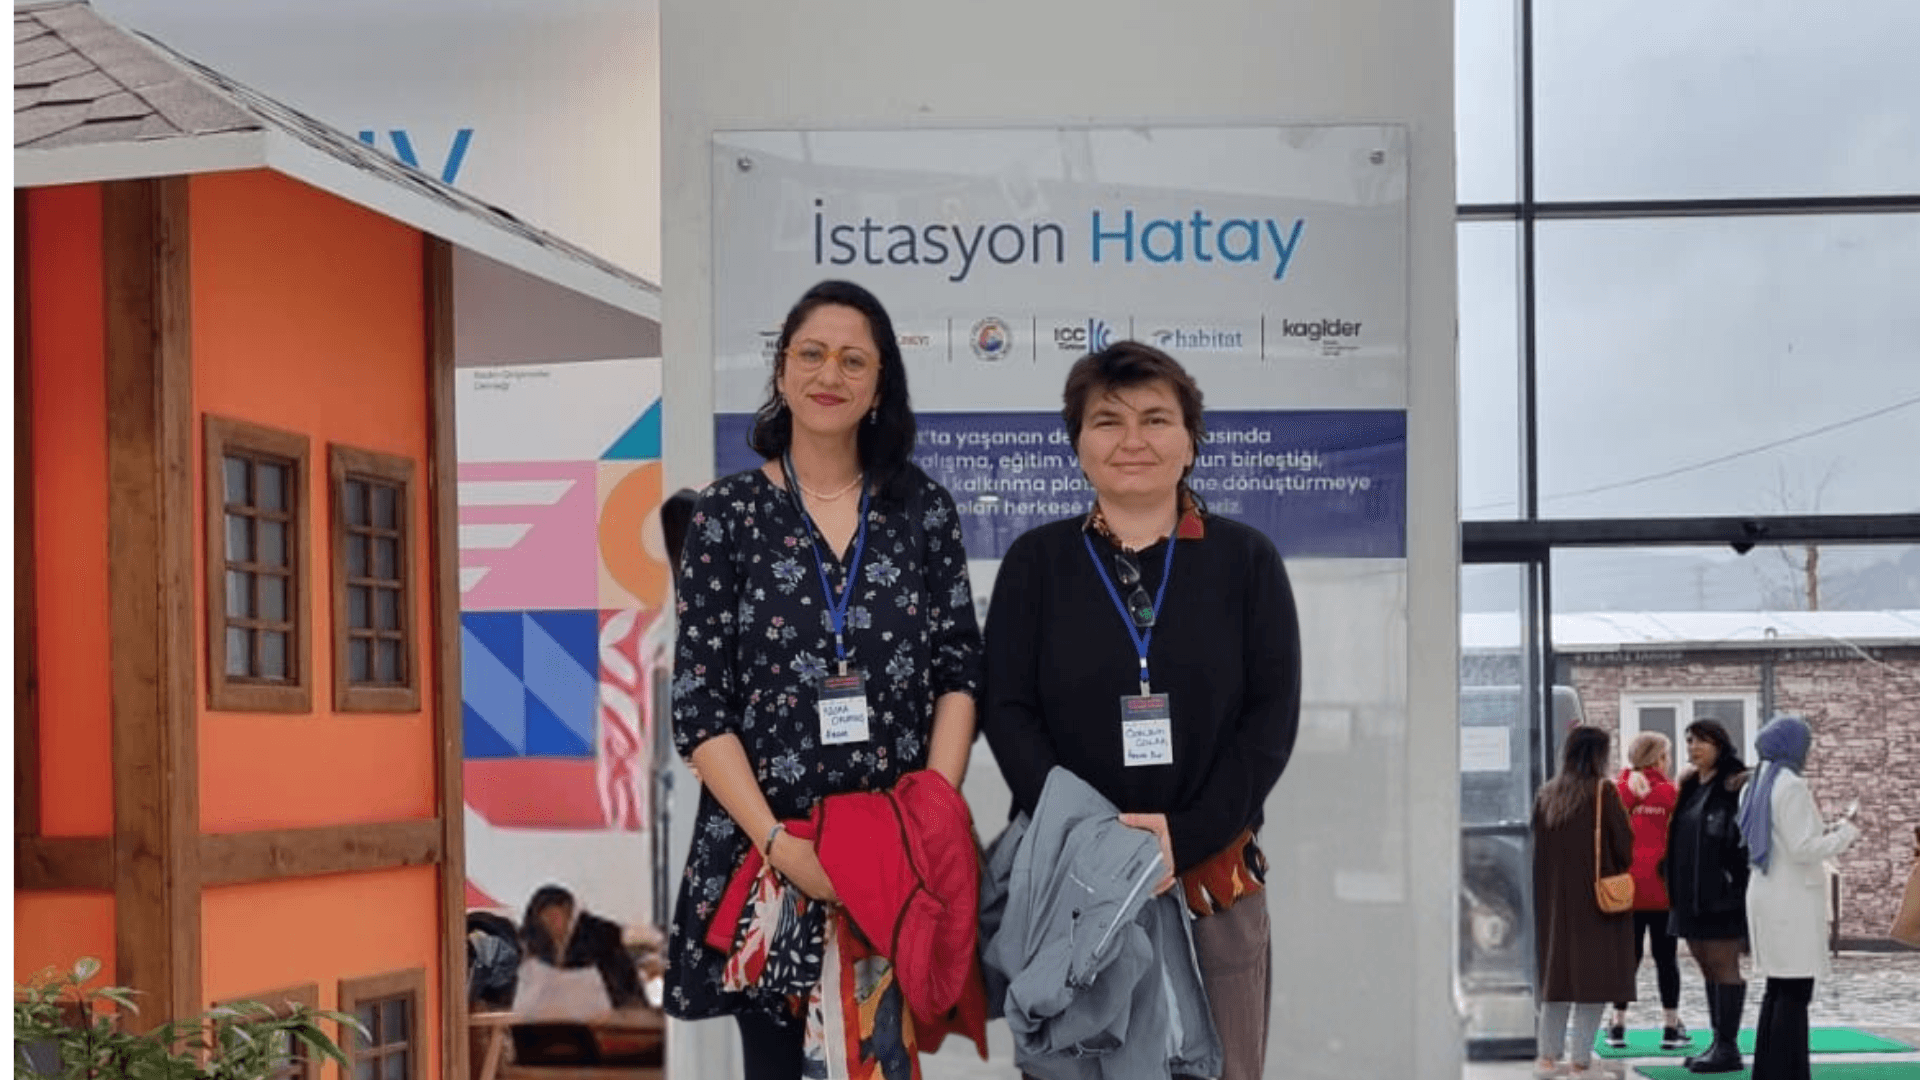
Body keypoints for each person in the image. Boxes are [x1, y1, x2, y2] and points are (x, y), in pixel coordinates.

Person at [662, 280, 983, 1080]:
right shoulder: (725, 516)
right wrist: (779, 845)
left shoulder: (922, 510)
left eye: (852, 359)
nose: (828, 373)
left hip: (893, 859)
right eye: (811, 353)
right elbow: (700, 708)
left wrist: (924, 826)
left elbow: (958, 673)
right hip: (765, 854)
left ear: (879, 385)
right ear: (780, 371)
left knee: (883, 1059)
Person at [981, 341, 1301, 1080]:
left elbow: (1269, 722)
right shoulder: (1036, 562)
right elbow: (1008, 708)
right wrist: (1099, 843)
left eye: (1157, 419)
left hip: (1211, 878)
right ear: (1078, 446)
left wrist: (1183, 835)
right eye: (1107, 421)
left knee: (1218, 1066)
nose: (1133, 440)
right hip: (1068, 881)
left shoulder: (1246, 560)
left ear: (1190, 442)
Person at [1738, 715, 1861, 1080]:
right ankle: (1788, 1072)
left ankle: (1772, 1069)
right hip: (1790, 898)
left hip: (1765, 891)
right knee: (1794, 991)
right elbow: (1803, 847)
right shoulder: (1789, 785)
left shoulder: (1755, 783)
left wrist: (1829, 828)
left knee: (1778, 988)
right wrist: (1849, 832)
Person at [1530, 725, 1636, 1079]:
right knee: (1594, 982)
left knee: (1556, 981)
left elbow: (1537, 852)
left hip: (1555, 905)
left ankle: (1547, 1059)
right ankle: (1579, 1061)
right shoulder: (1603, 792)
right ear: (1598, 755)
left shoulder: (1546, 794)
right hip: (1596, 905)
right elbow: (1625, 847)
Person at [1666, 719, 1752, 1074]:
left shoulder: (1735, 782)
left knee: (1723, 965)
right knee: (1704, 963)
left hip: (1722, 894)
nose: (1693, 747)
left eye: (1701, 741)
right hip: (1689, 894)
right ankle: (1718, 1041)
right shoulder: (1690, 785)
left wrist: (1734, 881)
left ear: (1720, 744)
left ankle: (1729, 1048)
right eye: (1689, 741)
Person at [1605, 732, 1689, 1051]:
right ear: (1658, 759)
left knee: (1627, 959)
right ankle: (1670, 1028)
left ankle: (1618, 1025)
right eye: (1666, 756)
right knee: (1667, 958)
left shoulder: (1617, 791)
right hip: (1662, 889)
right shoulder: (1670, 793)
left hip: (1625, 890)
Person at [519, 885, 643, 1008]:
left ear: (568, 910)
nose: (550, 926)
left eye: (553, 917)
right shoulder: (538, 941)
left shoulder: (602, 936)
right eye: (545, 920)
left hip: (608, 1016)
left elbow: (623, 987)